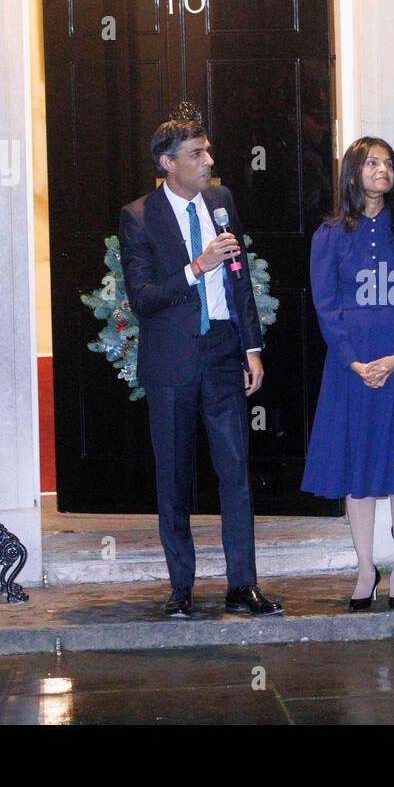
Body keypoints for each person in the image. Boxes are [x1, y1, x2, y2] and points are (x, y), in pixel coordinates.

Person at [118, 105, 280, 618]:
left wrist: (251, 347)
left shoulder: (221, 200)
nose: (208, 160)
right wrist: (195, 267)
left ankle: (242, 585)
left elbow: (240, 278)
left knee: (235, 471)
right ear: (168, 162)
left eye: (207, 150)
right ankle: (181, 588)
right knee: (173, 477)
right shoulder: (139, 216)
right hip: (171, 365)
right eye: (196, 153)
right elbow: (141, 297)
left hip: (222, 355)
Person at [302, 136, 394, 609]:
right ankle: (366, 570)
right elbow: (326, 305)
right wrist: (355, 361)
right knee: (357, 473)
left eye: (388, 163)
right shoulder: (330, 234)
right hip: (351, 369)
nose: (381, 170)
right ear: (353, 172)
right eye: (372, 163)